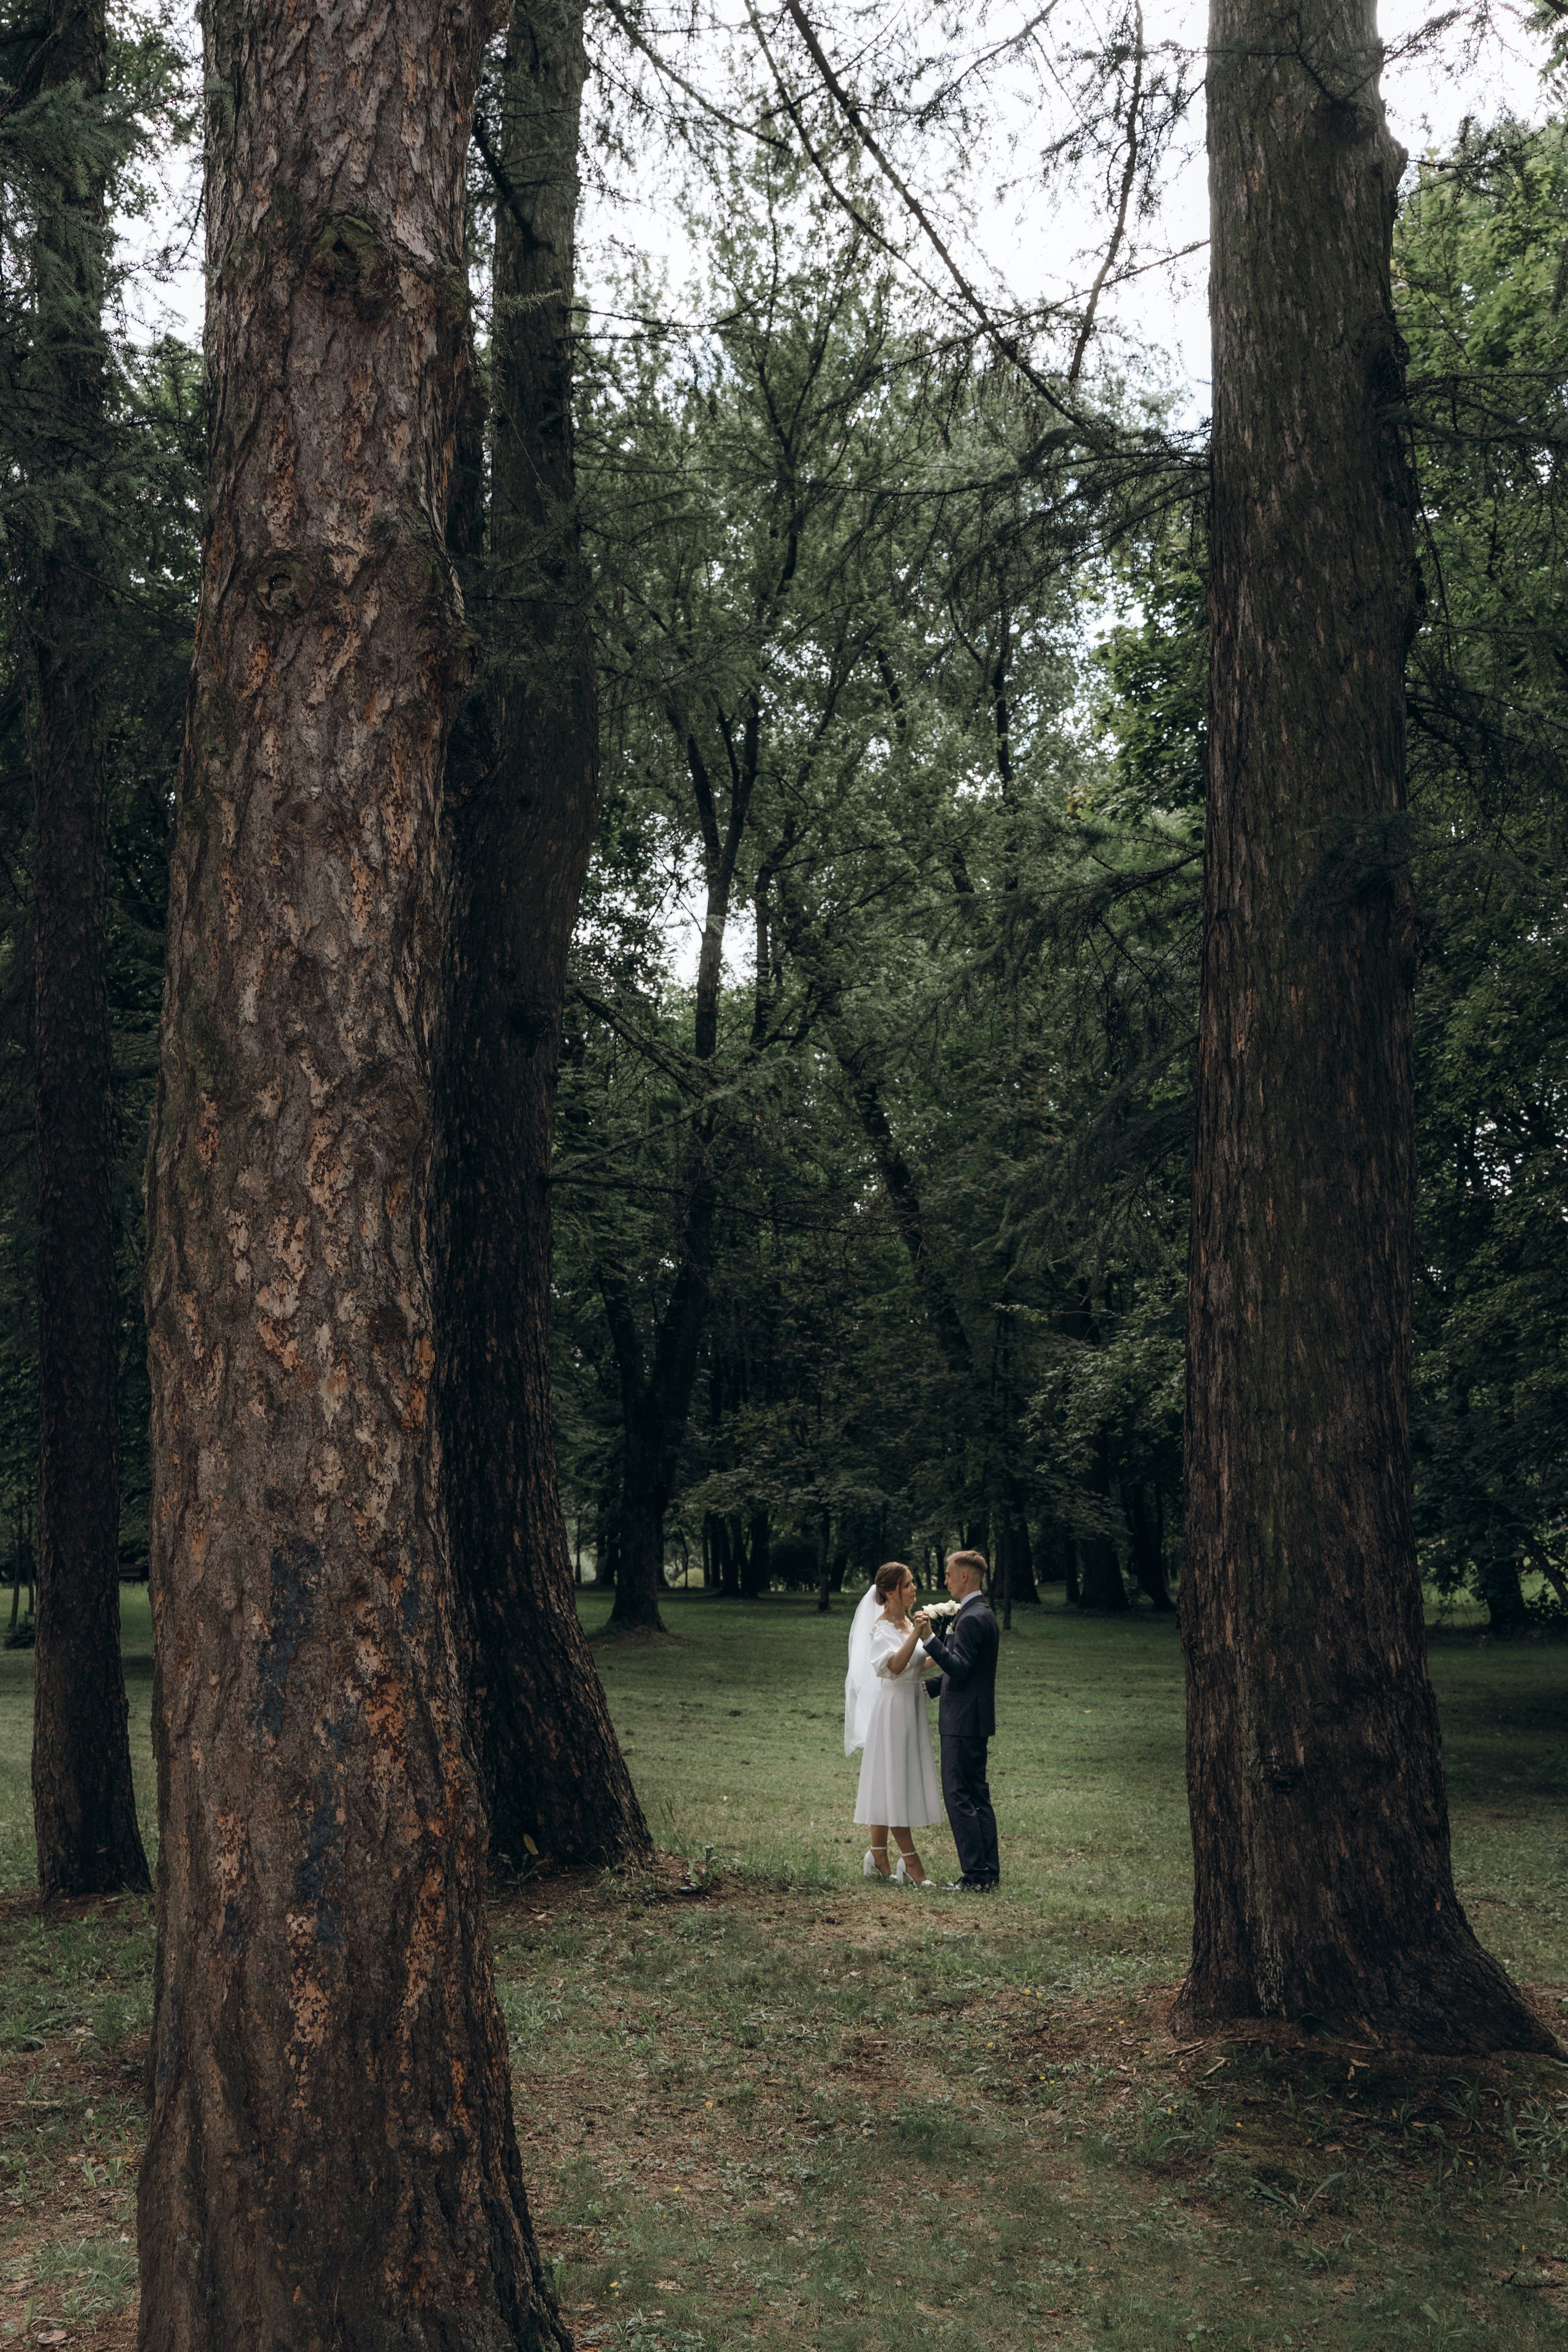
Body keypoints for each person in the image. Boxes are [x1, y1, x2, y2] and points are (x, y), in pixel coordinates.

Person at [843, 1561, 941, 1884]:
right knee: (894, 1780)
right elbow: (897, 1666)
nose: (915, 1588)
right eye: (909, 1584)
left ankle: (877, 1851)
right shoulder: (883, 1627)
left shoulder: (904, 1624)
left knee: (890, 1779)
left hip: (911, 1704)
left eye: (913, 1582)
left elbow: (918, 1664)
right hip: (893, 1708)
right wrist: (917, 1632)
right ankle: (912, 1863)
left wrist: (946, 1642)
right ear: (890, 1592)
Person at [915, 1549, 1000, 1891]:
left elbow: (961, 1668)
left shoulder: (971, 1618)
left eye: (949, 1574)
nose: (946, 1579)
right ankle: (988, 1873)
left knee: (960, 1796)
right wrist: (928, 1688)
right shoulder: (981, 1613)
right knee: (978, 1796)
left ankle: (976, 1876)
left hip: (962, 1722)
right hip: (972, 1718)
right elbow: (970, 1671)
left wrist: (929, 1639)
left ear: (965, 1576)